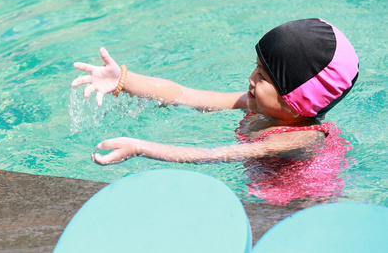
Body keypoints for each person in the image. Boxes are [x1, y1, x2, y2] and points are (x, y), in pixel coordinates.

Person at [71, 18, 359, 168]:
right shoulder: (257, 103)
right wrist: (123, 79)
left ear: (296, 101)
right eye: (255, 67)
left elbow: (216, 155)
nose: (251, 78)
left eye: (263, 76)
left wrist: (141, 147)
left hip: (296, 208)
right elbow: (186, 95)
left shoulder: (301, 137)